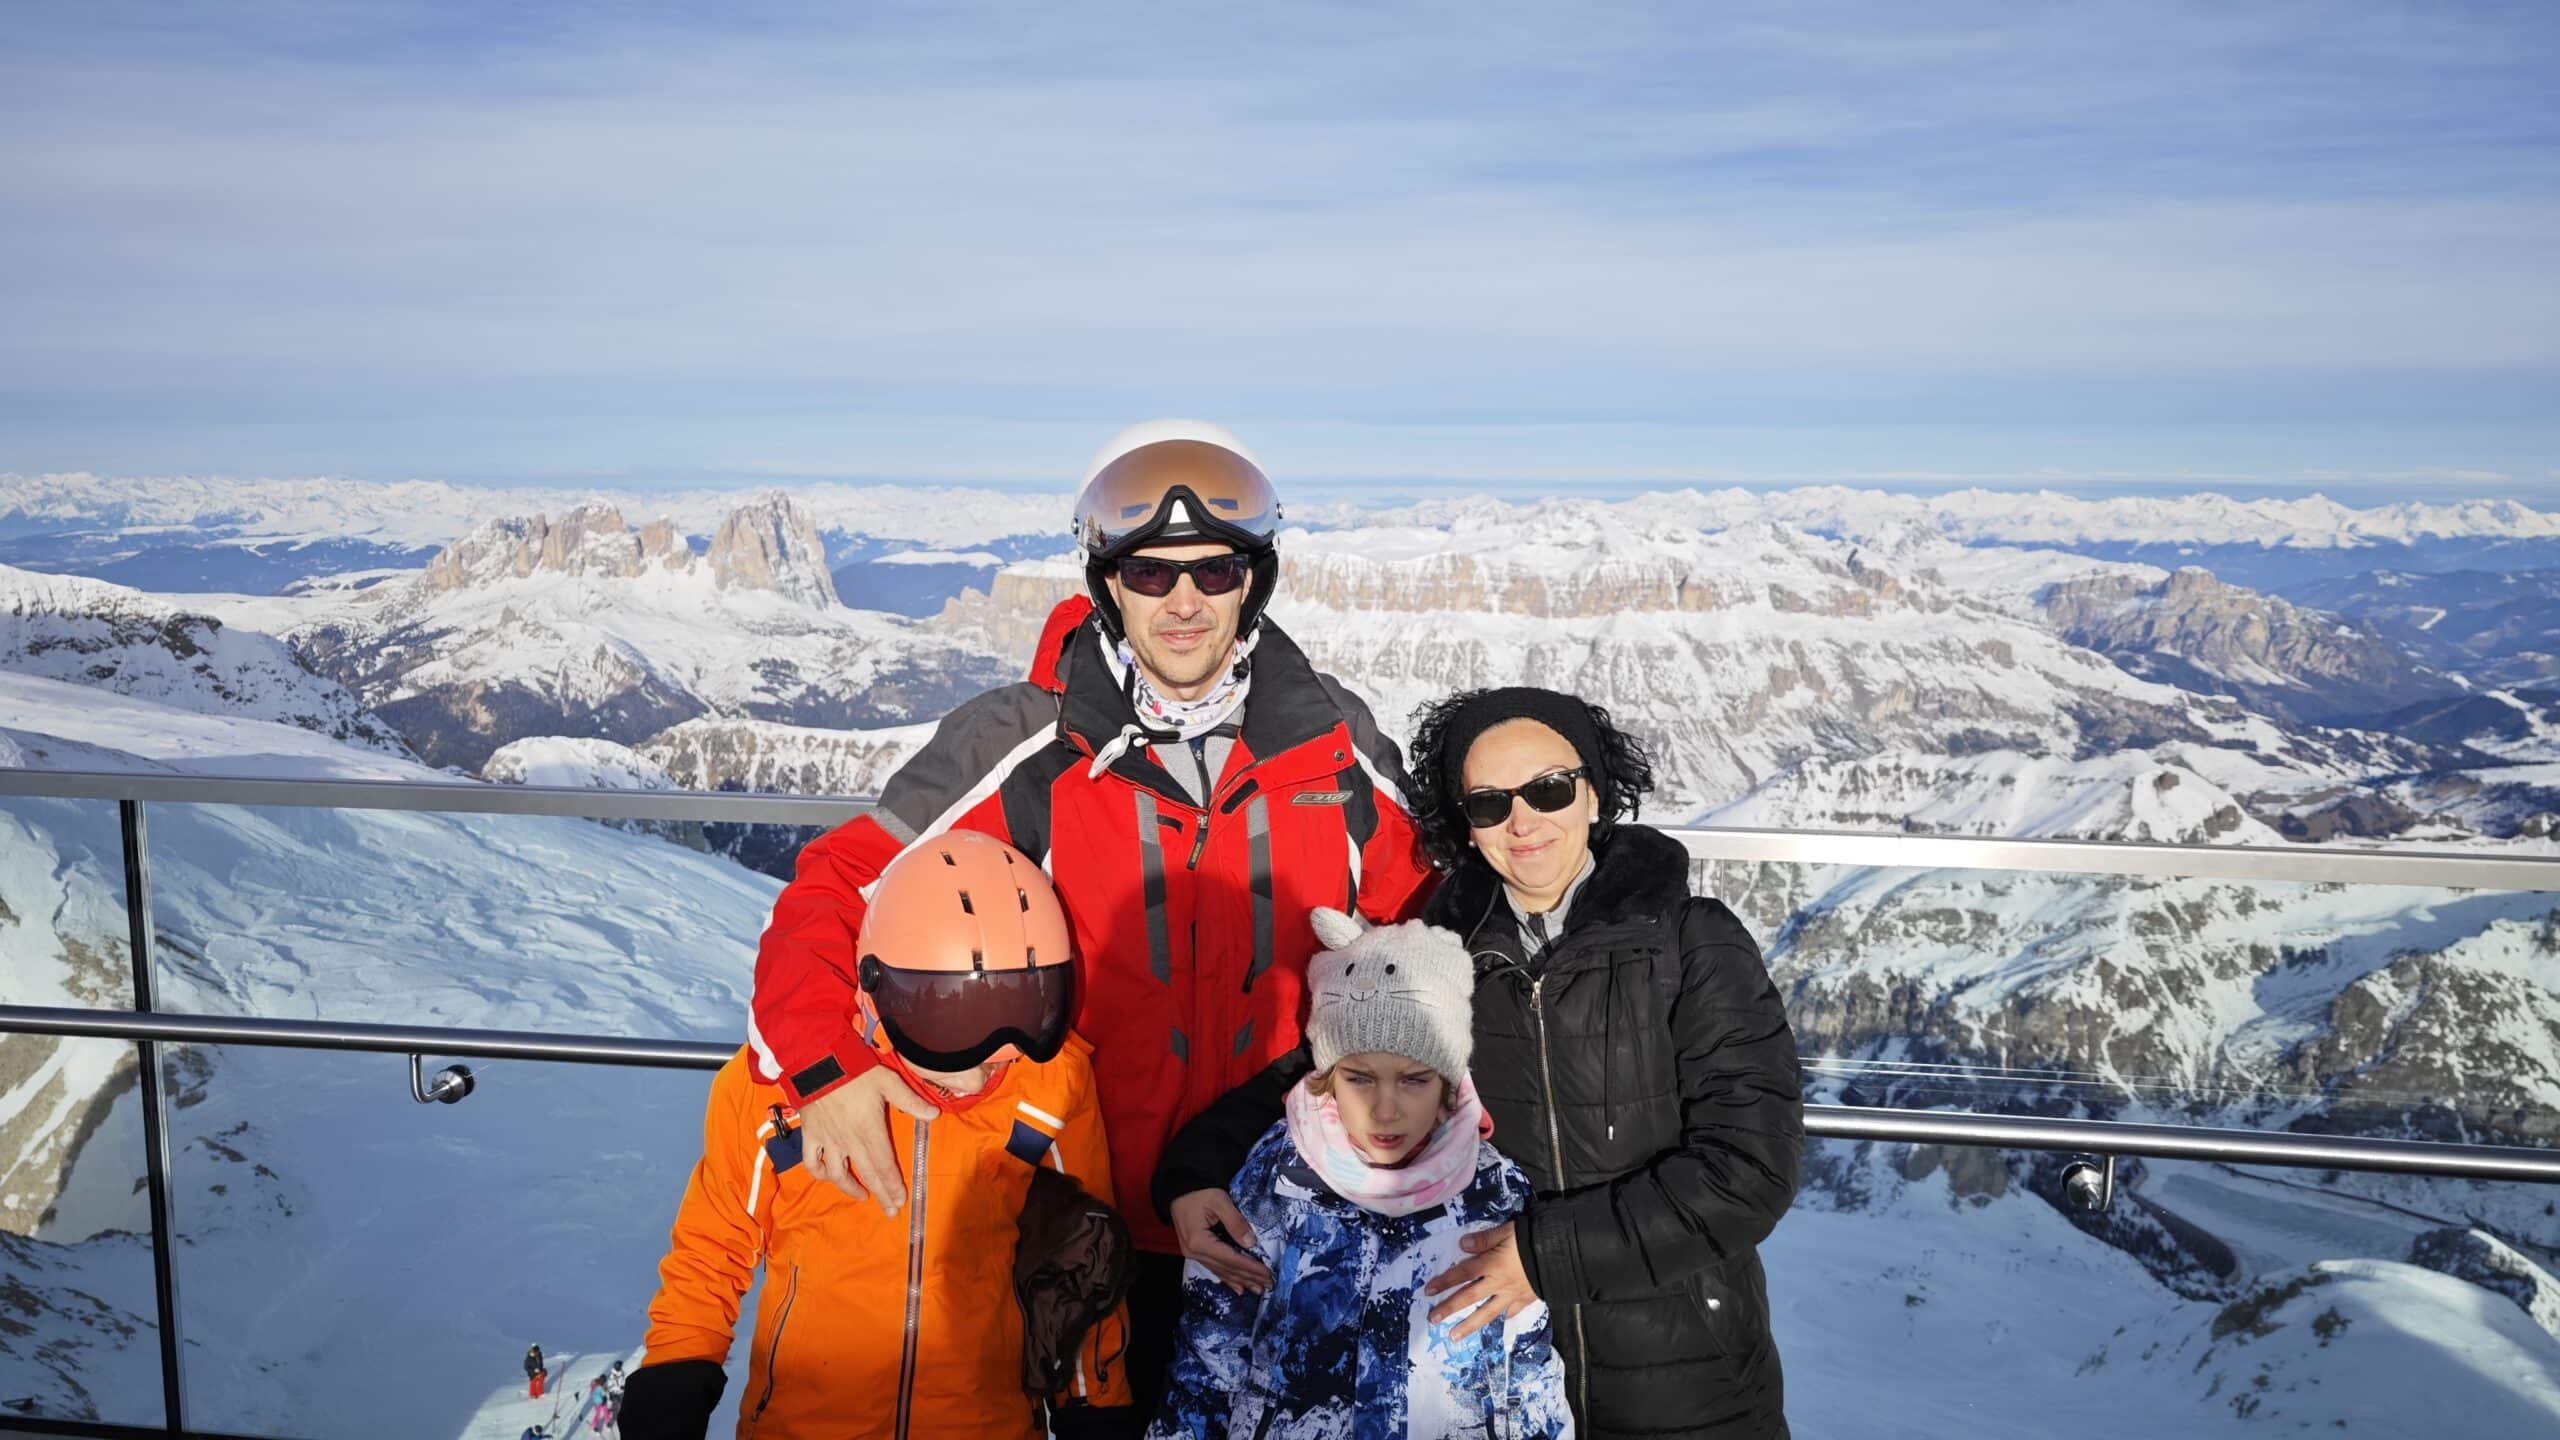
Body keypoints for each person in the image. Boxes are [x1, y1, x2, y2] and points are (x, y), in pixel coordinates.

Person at [747, 419, 1437, 1409]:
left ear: (1256, 580)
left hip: (1297, 1212)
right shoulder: (1025, 741)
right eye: (1151, 574)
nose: (1186, 601)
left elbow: (1442, 934)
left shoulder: (1328, 737)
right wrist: (823, 1068)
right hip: (1089, 1224)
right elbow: (833, 886)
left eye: (1216, 571)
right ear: (1106, 582)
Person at [1156, 687, 1804, 1439]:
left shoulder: (1692, 944)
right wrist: (1193, 1172)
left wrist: (1543, 1257)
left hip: (1686, 1383)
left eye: (1549, 789)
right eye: (1491, 804)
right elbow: (1332, 1073)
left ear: (1594, 794)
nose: (1522, 820)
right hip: (1489, 1379)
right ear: (1468, 826)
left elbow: (1749, 1168)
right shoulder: (1442, 957)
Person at [624, 832, 1139, 1440]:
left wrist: (1094, 1408)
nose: (982, 1068)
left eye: (1028, 1011)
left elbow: (1084, 1259)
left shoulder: (1051, 1084)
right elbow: (712, 1248)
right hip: (806, 1424)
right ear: (878, 992)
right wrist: (672, 1384)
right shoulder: (780, 1092)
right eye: (952, 1018)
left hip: (982, 1421)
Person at [1149, 908, 1571, 1439]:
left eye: (1414, 1080)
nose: (1384, 1109)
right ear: (1326, 1075)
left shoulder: (1495, 1193)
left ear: (1449, 1083)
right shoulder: (1274, 1185)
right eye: (1359, 1078)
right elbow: (1207, 1368)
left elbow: (1528, 1376)